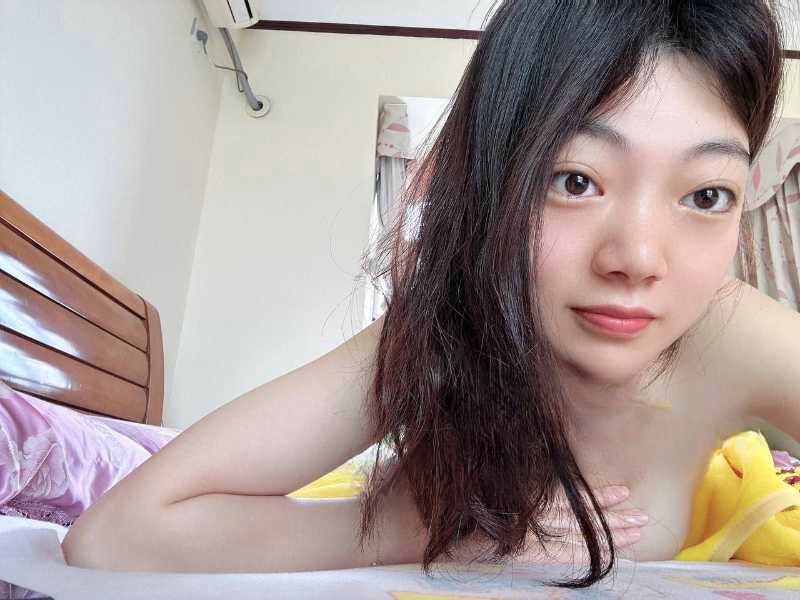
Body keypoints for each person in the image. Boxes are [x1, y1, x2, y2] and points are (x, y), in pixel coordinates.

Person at [61, 0, 789, 589]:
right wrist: (429, 527)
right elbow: (116, 534)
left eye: (706, 195)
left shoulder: (727, 333)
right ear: (492, 183)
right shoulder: (445, 328)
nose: (637, 259)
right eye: (574, 181)